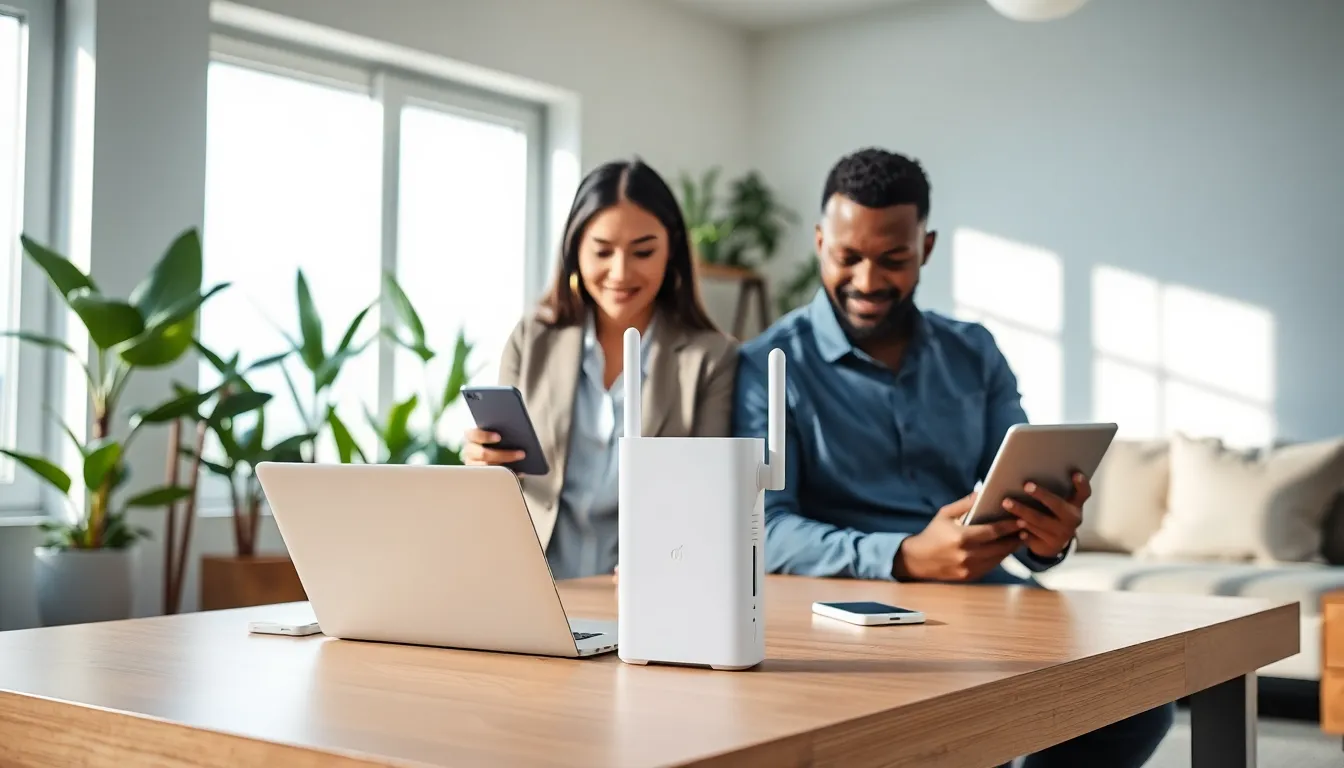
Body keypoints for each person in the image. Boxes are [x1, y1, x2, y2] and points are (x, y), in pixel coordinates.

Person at [732, 148, 1172, 767]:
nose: (866, 281)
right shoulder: (768, 365)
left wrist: (1044, 534)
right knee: (956, 725)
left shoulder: (973, 352)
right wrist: (907, 555)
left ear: (927, 248)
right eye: (847, 257)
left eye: (893, 259)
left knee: (1136, 697)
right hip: (845, 608)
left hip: (983, 594)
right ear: (818, 241)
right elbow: (765, 529)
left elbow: (1018, 486)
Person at [464, 158, 738, 581]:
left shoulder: (712, 359)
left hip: (650, 587)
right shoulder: (532, 338)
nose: (621, 272)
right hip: (531, 581)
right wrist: (485, 464)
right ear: (575, 249)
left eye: (643, 252)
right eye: (602, 251)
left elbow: (710, 497)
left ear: (673, 252)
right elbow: (501, 487)